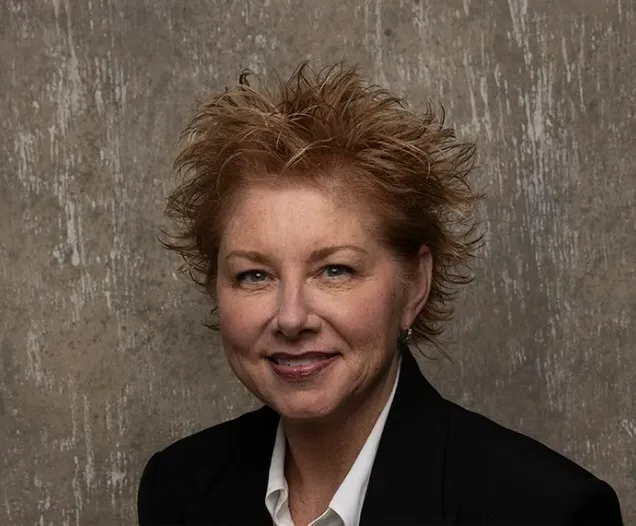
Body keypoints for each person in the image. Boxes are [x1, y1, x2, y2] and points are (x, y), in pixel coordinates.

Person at [137, 62, 623, 525]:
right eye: (254, 276)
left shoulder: (549, 510)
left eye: (335, 270)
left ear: (414, 286)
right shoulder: (179, 487)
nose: (291, 317)